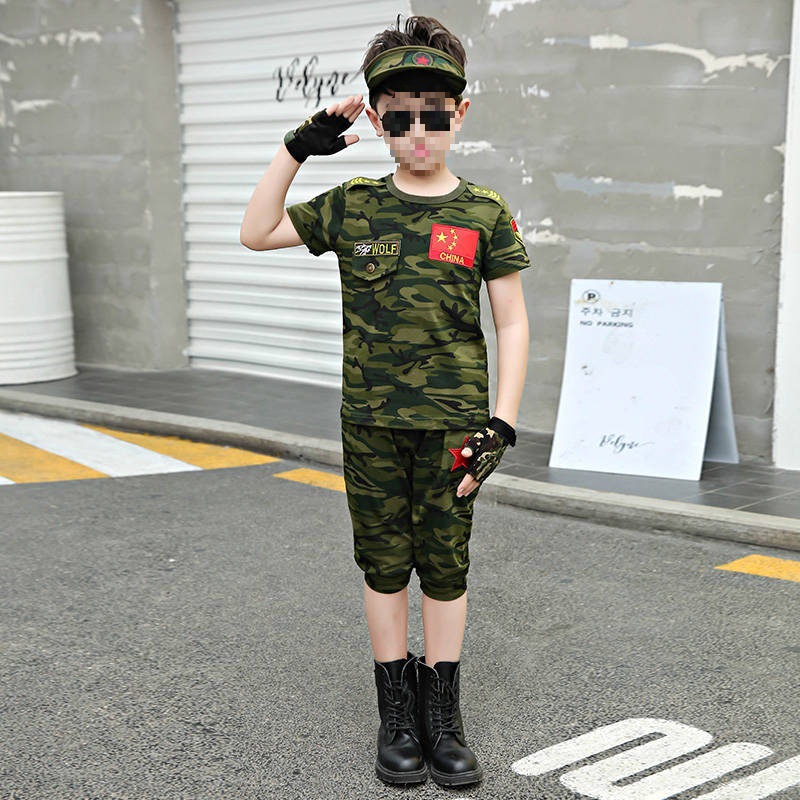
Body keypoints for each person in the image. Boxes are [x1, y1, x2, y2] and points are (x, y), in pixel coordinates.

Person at [240, 14, 530, 788]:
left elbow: (512, 321)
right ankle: (396, 715)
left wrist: (501, 425)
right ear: (376, 121)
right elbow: (256, 232)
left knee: (446, 565)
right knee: (383, 564)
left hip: (455, 429)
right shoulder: (353, 205)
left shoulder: (484, 212)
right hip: (370, 425)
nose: (418, 132)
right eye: (399, 118)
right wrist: (297, 149)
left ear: (460, 113)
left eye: (435, 115)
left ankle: (444, 717)